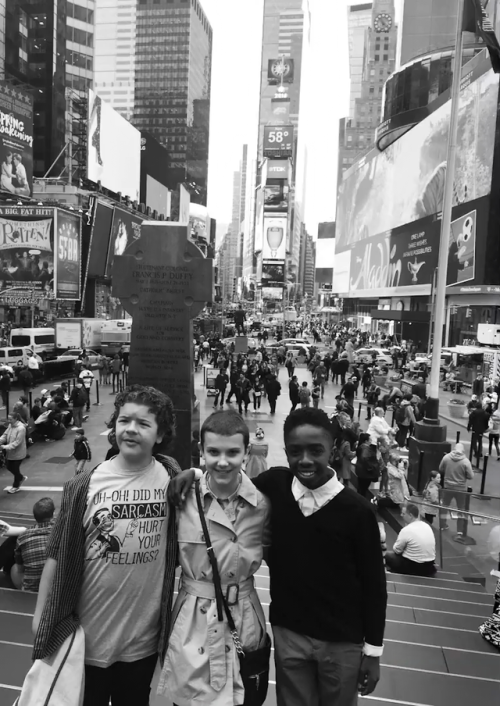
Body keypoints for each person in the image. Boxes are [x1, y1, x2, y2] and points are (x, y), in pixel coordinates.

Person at [169, 407, 387, 706]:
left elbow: (375, 586)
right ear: (286, 451)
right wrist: (194, 474)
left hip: (341, 639)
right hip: (290, 631)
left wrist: (373, 651)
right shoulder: (275, 487)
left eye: (316, 450)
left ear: (333, 450)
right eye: (296, 451)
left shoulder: (358, 511)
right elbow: (227, 481)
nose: (306, 460)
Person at [32, 385, 181, 705]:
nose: (131, 429)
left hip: (141, 645)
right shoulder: (84, 485)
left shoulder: (171, 477)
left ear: (160, 435)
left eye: (144, 423)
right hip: (85, 643)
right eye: (125, 419)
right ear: (114, 426)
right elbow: (56, 553)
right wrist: (40, 615)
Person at [157, 410, 271, 705]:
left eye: (233, 452)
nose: (223, 461)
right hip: (193, 618)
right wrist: (192, 473)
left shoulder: (263, 503)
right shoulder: (181, 497)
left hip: (243, 618)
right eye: (213, 452)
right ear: (201, 452)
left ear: (246, 452)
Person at [12, 498, 56, 592]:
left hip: (32, 590)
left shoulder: (23, 536)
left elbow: (20, 568)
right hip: (60, 589)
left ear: (35, 516)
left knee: (14, 568)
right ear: (53, 514)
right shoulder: (63, 531)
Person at [386, 503, 437, 577]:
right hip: (429, 565)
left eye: (403, 514)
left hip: (413, 566)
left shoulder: (406, 530)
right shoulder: (427, 526)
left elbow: (397, 550)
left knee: (386, 554)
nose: (401, 515)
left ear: (410, 515)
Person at [439, 443, 474, 536]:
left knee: (444, 506)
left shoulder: (446, 458)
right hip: (461, 488)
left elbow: (440, 469)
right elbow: (471, 476)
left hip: (447, 486)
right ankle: (459, 530)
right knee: (461, 509)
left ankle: (442, 524)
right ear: (462, 451)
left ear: (454, 449)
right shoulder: (466, 461)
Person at [0, 412, 28, 494]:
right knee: (9, 466)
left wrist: (5, 447)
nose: (9, 421)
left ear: (16, 419)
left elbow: (17, 442)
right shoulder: (10, 425)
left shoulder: (21, 428)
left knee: (15, 468)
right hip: (11, 452)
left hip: (19, 453)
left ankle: (16, 486)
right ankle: (21, 477)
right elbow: (5, 435)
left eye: (10, 419)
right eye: (8, 419)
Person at [356, 432, 382, 498]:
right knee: (363, 489)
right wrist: (371, 468)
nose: (371, 440)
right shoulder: (365, 449)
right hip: (365, 473)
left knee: (361, 488)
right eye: (370, 439)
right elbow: (365, 458)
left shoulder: (361, 447)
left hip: (361, 471)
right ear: (366, 441)